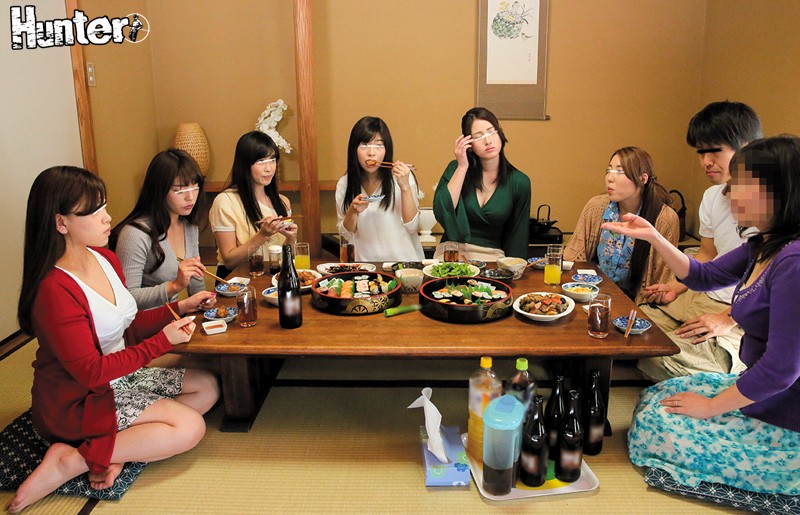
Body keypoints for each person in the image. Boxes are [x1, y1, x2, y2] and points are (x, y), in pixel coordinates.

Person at [9, 166, 219, 513]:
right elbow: (90, 372)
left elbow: (126, 326)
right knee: (190, 427)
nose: (107, 218)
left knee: (208, 386)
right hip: (78, 400)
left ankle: (114, 450)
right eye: (94, 211)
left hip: (119, 378)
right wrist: (162, 342)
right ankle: (71, 461)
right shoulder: (54, 289)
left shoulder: (104, 257)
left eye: (104, 206)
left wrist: (179, 308)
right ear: (61, 223)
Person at [605, 135, 800, 496]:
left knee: (658, 430)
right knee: (655, 402)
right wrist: (654, 237)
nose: (729, 193)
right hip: (762, 395)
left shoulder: (794, 262)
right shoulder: (763, 244)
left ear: (779, 192)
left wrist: (711, 407)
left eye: (741, 184)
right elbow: (703, 275)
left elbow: (781, 370)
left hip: (787, 413)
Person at [637, 101, 762, 381]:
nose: (706, 161)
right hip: (702, 297)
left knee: (666, 360)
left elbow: (766, 287)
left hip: (740, 313)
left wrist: (728, 318)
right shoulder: (713, 197)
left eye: (715, 151)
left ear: (748, 147)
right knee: (626, 331)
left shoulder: (773, 217)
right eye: (701, 152)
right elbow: (707, 258)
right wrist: (676, 287)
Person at [563, 147, 679, 304]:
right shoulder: (596, 207)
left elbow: (662, 281)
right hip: (591, 294)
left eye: (619, 172)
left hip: (637, 303)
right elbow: (574, 257)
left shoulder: (664, 219)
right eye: (608, 171)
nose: (610, 178)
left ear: (643, 179)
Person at [111, 149, 215, 310]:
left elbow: (196, 282)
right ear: (159, 190)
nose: (190, 197)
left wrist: (204, 301)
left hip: (174, 317)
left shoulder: (190, 228)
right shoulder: (135, 234)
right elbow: (127, 298)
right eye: (179, 190)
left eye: (195, 187)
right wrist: (174, 286)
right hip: (145, 322)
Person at [433, 107, 531, 260]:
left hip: (492, 257)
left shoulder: (519, 182)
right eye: (479, 137)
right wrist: (462, 167)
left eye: (491, 132)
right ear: (468, 143)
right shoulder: (456, 168)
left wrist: (514, 268)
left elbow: (518, 236)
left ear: (500, 132)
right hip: (451, 253)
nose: (488, 141)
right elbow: (442, 210)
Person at [209, 131, 298, 279]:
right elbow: (229, 262)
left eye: (273, 160)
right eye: (261, 161)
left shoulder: (283, 202)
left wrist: (291, 239)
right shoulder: (225, 201)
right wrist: (262, 235)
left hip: (274, 278)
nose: (269, 168)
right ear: (245, 164)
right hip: (236, 281)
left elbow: (286, 259)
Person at [336, 116, 424, 261]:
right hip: (366, 266)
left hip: (404, 265)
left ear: (386, 149)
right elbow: (346, 234)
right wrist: (352, 212)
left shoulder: (402, 178)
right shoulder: (344, 184)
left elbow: (412, 226)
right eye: (364, 145)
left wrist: (405, 187)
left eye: (378, 145)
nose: (371, 153)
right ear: (354, 149)